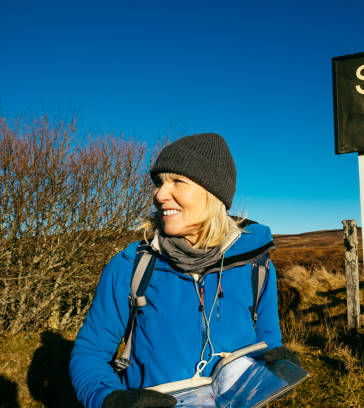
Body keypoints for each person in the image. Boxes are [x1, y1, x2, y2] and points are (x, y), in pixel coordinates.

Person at [70, 133, 298, 408]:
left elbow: (268, 340)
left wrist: (279, 365)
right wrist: (109, 399)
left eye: (177, 181)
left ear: (213, 192)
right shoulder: (131, 265)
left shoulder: (256, 264)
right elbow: (90, 353)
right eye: (158, 183)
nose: (159, 195)